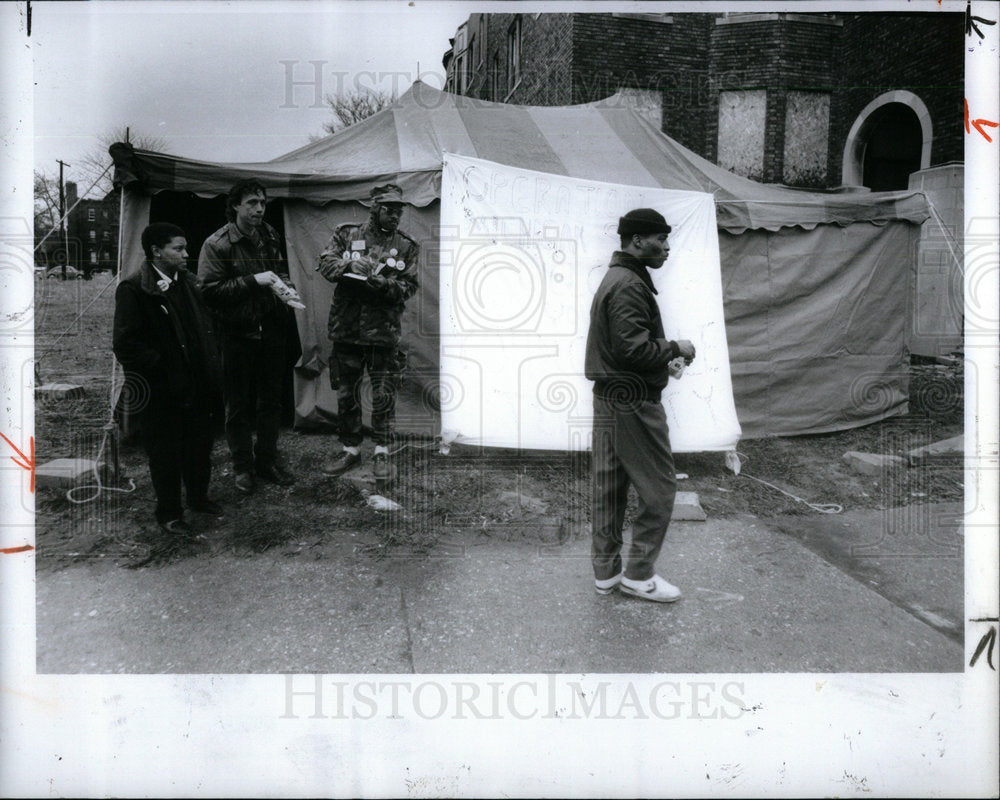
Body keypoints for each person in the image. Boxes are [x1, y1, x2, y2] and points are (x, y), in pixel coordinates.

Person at [584, 208, 696, 603]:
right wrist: (676, 348)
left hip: (609, 398)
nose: (667, 247)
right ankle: (639, 575)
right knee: (661, 490)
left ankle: (607, 572)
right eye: (660, 239)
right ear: (636, 241)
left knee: (609, 487)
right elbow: (632, 350)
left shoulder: (618, 277)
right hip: (633, 401)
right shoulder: (630, 284)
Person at [112, 222, 223, 536]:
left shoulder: (188, 282)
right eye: (178, 248)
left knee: (200, 446)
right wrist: (163, 368)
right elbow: (125, 345)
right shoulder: (134, 289)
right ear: (156, 251)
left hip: (197, 383)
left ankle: (199, 498)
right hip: (162, 390)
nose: (186, 255)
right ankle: (170, 514)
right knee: (165, 453)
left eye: (185, 248)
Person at [315, 184, 419, 484]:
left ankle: (382, 451)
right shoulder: (347, 234)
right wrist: (350, 263)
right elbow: (325, 263)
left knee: (383, 394)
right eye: (389, 209)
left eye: (399, 210)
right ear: (374, 208)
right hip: (346, 330)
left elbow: (409, 287)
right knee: (346, 393)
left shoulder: (406, 245)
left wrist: (381, 284)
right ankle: (350, 449)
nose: (395, 215)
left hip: (382, 334)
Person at [198, 179, 297, 494]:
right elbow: (208, 292)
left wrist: (286, 287)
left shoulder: (269, 234)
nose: (259, 209)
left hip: (272, 330)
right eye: (252, 203)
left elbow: (279, 270)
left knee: (271, 400)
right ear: (236, 205)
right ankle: (243, 467)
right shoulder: (217, 244)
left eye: (263, 203)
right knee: (237, 405)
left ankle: (266, 461)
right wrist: (252, 280)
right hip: (236, 333)